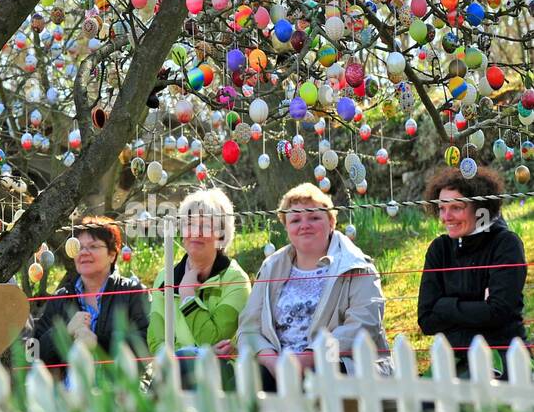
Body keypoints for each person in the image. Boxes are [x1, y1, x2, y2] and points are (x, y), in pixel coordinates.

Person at [225, 183, 390, 385]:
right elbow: (249, 329)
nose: (304, 225)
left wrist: (309, 358)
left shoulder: (356, 266)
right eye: (295, 220)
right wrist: (273, 363)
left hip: (338, 366)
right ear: (286, 227)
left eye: (314, 217)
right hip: (279, 367)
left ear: (331, 222)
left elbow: (364, 324)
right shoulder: (271, 268)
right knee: (242, 381)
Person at [417, 164, 527, 378]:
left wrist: (444, 305)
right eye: (441, 208)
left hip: (504, 360)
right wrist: (479, 307)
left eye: (456, 207)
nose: (445, 217)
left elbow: (499, 313)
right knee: (423, 407)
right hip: (452, 361)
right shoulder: (439, 249)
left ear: (480, 208)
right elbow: (426, 320)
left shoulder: (505, 245)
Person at [148, 189, 251, 378]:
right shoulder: (165, 278)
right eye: (189, 224)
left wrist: (188, 297)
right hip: (173, 375)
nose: (195, 232)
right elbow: (156, 342)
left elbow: (216, 339)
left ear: (221, 235)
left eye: (205, 226)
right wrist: (198, 355)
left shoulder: (236, 279)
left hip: (222, 378)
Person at [32, 216, 149, 370]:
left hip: (118, 390)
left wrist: (97, 344)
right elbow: (34, 353)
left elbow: (146, 347)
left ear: (112, 254)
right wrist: (64, 332)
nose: (84, 253)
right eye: (79, 247)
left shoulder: (133, 293)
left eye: (93, 246)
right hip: (67, 393)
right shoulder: (60, 298)